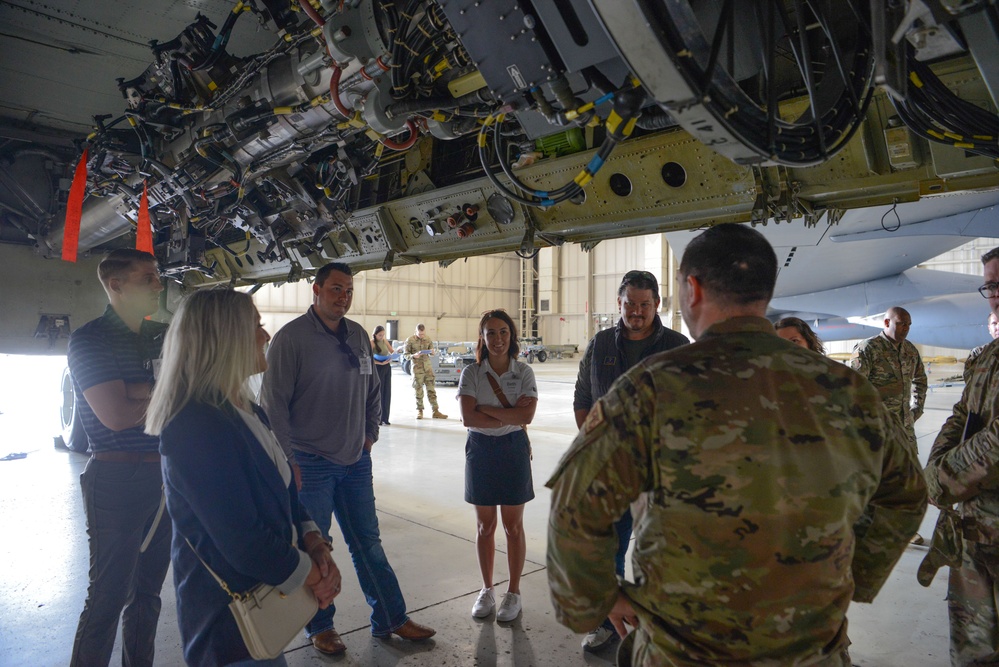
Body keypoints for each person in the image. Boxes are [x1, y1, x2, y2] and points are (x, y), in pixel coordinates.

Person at [546, 223, 927, 666]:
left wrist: (599, 600)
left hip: (683, 651)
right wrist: (851, 575)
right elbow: (907, 493)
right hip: (811, 650)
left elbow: (573, 511)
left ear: (693, 288)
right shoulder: (847, 389)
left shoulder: (650, 388)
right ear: (764, 291)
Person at [146, 289, 341, 667]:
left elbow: (284, 494)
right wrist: (312, 575)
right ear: (224, 338)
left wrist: (314, 538)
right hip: (229, 622)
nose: (266, 336)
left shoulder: (247, 410)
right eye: (256, 326)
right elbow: (241, 539)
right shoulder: (194, 427)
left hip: (267, 601)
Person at [260, 262, 435, 656]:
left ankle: (391, 617)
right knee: (316, 547)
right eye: (336, 289)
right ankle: (320, 626)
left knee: (368, 543)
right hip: (311, 463)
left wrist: (370, 434)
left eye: (348, 291)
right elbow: (273, 407)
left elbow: (373, 388)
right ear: (316, 290)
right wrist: (290, 462)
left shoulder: (357, 334)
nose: (343, 297)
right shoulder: (291, 339)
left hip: (356, 461)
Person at [571, 269, 688, 651]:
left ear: (656, 304)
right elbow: (583, 398)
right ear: (617, 304)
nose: (637, 311)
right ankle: (608, 622)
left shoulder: (677, 344)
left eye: (644, 304)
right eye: (629, 304)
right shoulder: (601, 343)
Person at [67, 248, 173, 667]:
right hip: (115, 481)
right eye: (147, 278)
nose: (158, 285)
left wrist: (137, 390)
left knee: (148, 597)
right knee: (108, 599)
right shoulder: (89, 339)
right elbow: (115, 417)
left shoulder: (162, 334)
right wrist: (161, 388)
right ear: (116, 286)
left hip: (164, 479)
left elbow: (189, 389)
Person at [924, 247, 999, 666]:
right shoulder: (988, 355)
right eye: (989, 284)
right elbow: (962, 416)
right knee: (973, 645)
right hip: (975, 529)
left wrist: (943, 479)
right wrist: (936, 466)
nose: (995, 293)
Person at [458, 310, 538, 623]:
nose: (498, 339)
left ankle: (514, 592)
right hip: (480, 451)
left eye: (503, 332)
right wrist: (506, 414)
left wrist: (486, 410)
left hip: (513, 449)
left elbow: (526, 417)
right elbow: (468, 418)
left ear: (512, 335)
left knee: (513, 526)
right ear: (483, 337)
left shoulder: (524, 372)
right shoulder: (471, 373)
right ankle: (487, 588)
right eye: (490, 333)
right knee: (484, 526)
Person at [849, 306, 928, 459]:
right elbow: (854, 390)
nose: (906, 328)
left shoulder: (910, 350)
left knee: (908, 474)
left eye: (909, 325)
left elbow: (921, 380)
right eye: (901, 324)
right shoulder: (868, 349)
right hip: (877, 429)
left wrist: (916, 409)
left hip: (905, 430)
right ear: (886, 322)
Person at [405, 323, 448, 420]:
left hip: (428, 369)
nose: (422, 336)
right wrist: (413, 355)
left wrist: (433, 352)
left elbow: (432, 353)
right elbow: (405, 355)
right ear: (415, 332)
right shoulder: (410, 340)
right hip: (417, 369)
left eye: (423, 334)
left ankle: (435, 411)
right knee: (418, 390)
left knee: (431, 390)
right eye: (420, 334)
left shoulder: (428, 339)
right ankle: (420, 411)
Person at [964, 311, 999, 382]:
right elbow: (970, 383)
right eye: (994, 323)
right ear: (989, 329)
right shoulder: (978, 353)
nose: (998, 327)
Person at [372, 326, 396, 425]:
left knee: (387, 391)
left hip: (387, 367)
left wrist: (392, 357)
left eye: (383, 335)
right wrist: (379, 363)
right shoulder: (372, 342)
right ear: (375, 335)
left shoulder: (384, 341)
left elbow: (392, 351)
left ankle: (386, 417)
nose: (382, 337)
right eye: (380, 335)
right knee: (379, 392)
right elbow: (368, 357)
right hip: (378, 367)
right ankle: (379, 418)